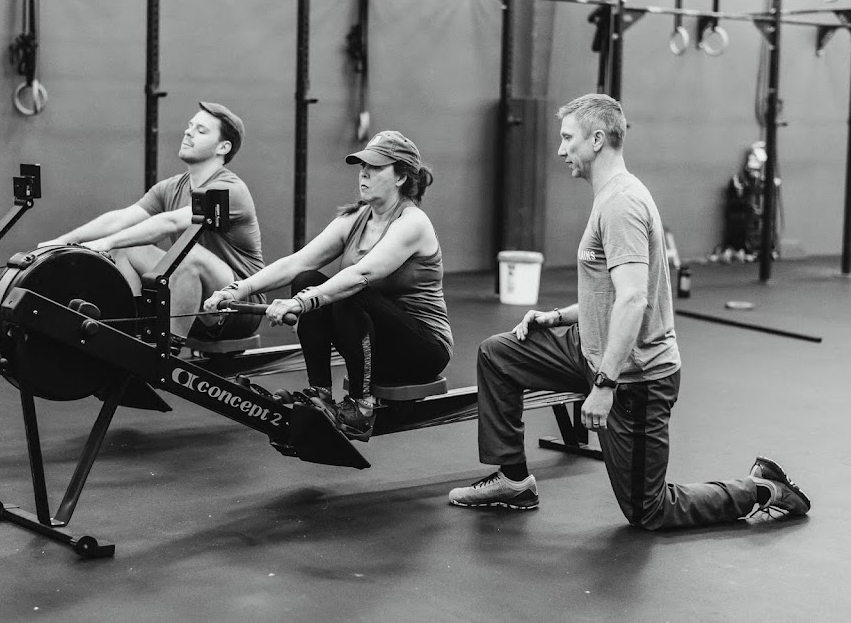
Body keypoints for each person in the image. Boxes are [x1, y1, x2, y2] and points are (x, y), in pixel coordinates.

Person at [449, 94, 810, 528]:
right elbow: (613, 293)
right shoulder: (607, 197)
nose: (561, 150)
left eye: (568, 139)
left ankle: (762, 488)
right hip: (589, 349)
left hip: (635, 377)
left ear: (597, 139)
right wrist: (558, 317)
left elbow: (634, 299)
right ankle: (513, 480)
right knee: (499, 354)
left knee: (650, 511)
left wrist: (604, 384)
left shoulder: (621, 204)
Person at [204, 131, 453, 441]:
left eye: (375, 168)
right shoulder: (357, 218)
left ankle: (361, 408)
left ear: (401, 176)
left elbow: (362, 274)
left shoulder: (413, 223)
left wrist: (302, 303)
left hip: (422, 349)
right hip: (375, 342)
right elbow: (298, 262)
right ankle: (320, 394)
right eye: (362, 166)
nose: (363, 173)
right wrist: (237, 290)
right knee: (306, 280)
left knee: (348, 291)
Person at [40, 101, 265, 342]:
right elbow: (121, 218)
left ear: (223, 146)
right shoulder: (171, 187)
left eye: (201, 130)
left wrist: (104, 243)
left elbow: (170, 223)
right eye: (190, 126)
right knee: (125, 249)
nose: (188, 132)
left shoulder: (230, 190)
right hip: (193, 301)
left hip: (238, 308)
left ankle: (166, 355)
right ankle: (133, 331)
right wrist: (64, 241)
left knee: (187, 255)